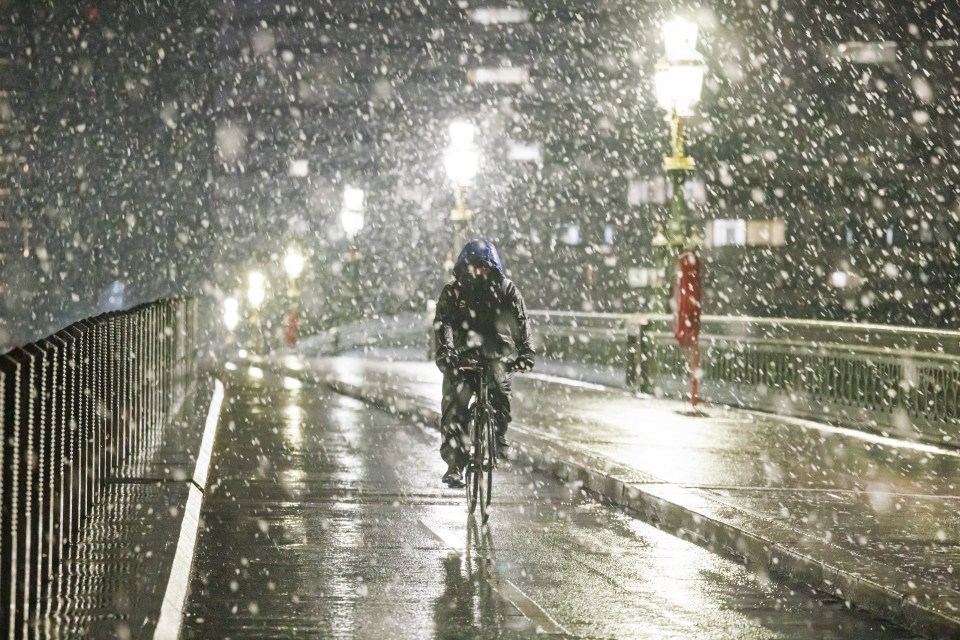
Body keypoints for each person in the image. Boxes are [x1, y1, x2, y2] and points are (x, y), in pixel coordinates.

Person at [433, 239, 535, 488]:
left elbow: (520, 321)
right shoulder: (453, 293)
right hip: (461, 357)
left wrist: (525, 353)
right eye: (474, 268)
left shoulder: (506, 290)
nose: (478, 273)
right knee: (454, 408)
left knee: (501, 395)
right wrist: (446, 351)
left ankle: (497, 440)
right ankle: (455, 465)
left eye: (484, 268)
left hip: (495, 357)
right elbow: (443, 323)